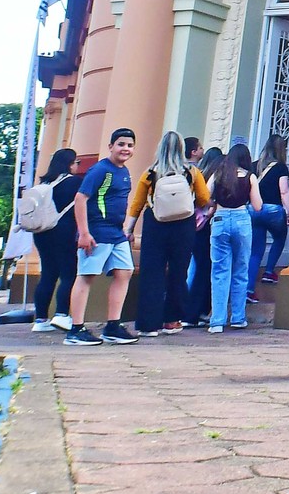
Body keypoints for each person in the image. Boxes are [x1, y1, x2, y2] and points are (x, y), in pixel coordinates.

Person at [127, 132, 210, 337]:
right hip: (183, 224)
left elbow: (137, 203)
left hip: (155, 223)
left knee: (152, 272)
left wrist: (129, 229)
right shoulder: (192, 172)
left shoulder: (150, 173)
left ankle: (149, 324)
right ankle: (172, 320)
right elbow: (203, 198)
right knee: (178, 272)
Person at [67, 126, 139, 346]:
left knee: (125, 272)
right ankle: (76, 329)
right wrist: (84, 232)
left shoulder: (124, 172)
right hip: (97, 232)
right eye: (121, 144)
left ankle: (113, 326)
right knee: (86, 275)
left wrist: (126, 229)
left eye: (130, 145)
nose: (125, 149)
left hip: (117, 234)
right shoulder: (100, 170)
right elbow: (80, 199)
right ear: (111, 146)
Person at [205, 143, 264, 332]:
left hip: (220, 219)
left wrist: (214, 204)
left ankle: (217, 320)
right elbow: (258, 206)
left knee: (219, 271)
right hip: (241, 219)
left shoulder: (218, 174)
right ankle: (238, 317)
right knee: (240, 269)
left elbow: (204, 196)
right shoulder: (250, 177)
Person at [29, 149, 82, 333]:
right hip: (64, 231)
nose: (77, 166)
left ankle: (40, 320)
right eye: (76, 162)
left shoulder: (44, 183)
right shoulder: (74, 182)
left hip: (41, 232)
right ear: (69, 163)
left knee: (48, 274)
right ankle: (61, 314)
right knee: (68, 274)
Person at [249, 133, 289, 288]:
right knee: (280, 238)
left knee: (256, 251)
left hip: (254, 209)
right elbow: (284, 191)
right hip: (273, 210)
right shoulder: (281, 167)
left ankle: (249, 289)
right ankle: (269, 272)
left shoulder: (254, 166)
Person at [188, 146, 225, 327]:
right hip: (206, 226)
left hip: (193, 226)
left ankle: (191, 311)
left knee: (195, 269)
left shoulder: (198, 174)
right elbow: (207, 201)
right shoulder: (215, 177)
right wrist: (211, 208)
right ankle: (195, 312)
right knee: (205, 270)